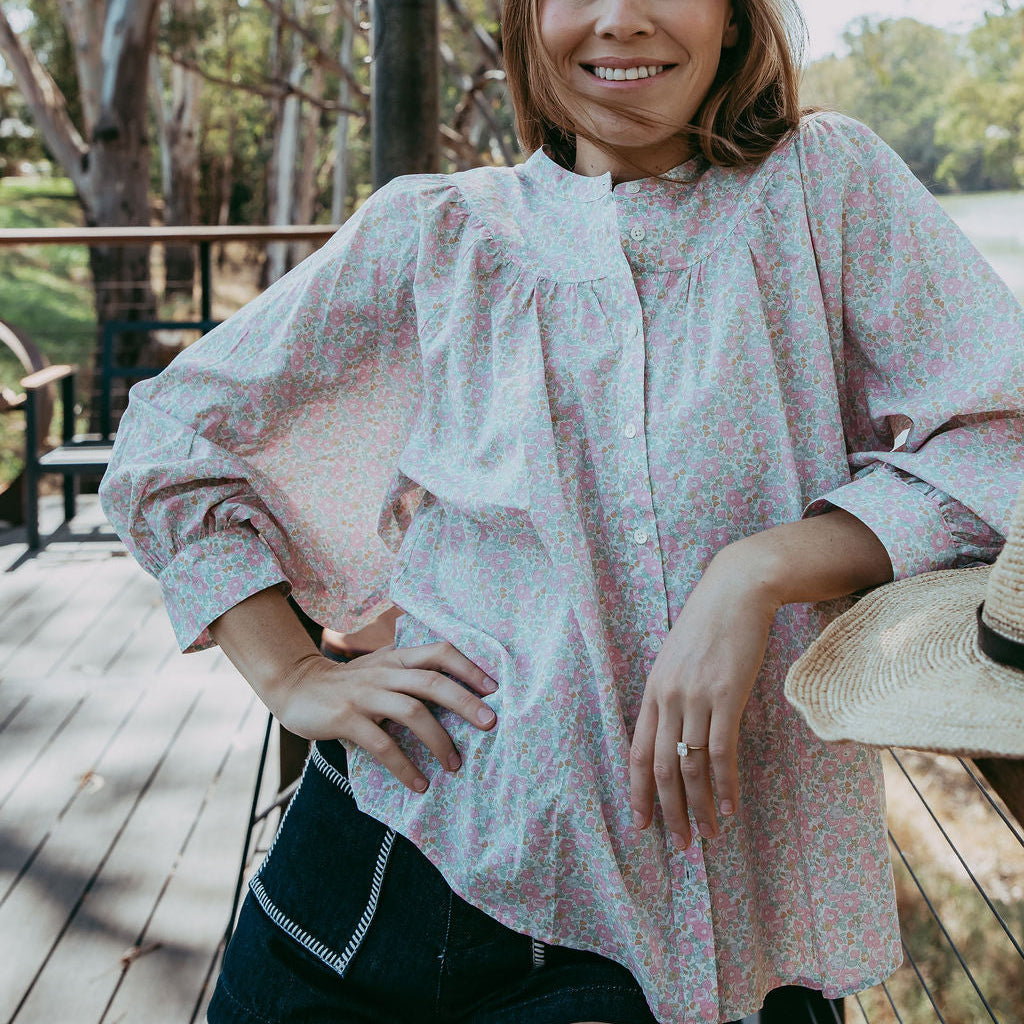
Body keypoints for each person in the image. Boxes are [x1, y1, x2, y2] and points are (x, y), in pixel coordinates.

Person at [99, 0, 1024, 1020]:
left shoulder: (825, 188)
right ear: (526, 18)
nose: (619, 20)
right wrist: (293, 671)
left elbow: (1003, 435)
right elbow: (172, 441)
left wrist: (761, 568)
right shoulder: (440, 230)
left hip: (726, 921)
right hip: (397, 874)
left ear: (730, 12)